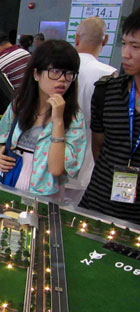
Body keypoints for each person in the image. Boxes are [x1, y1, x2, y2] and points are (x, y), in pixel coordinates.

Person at [0, 40, 86, 198]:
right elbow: (1, 137)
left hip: (44, 196)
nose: (62, 79)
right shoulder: (20, 104)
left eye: (69, 73)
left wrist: (58, 121)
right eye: (55, 71)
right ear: (36, 74)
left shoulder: (74, 117)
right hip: (8, 185)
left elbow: (57, 169)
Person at [79, 8, 140, 223]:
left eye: (135, 47)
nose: (126, 54)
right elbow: (98, 146)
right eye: (124, 44)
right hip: (98, 201)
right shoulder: (107, 90)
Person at [64, 17, 117, 205]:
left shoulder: (57, 68)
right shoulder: (109, 75)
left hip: (49, 157)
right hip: (88, 160)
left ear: (76, 38)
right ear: (106, 40)